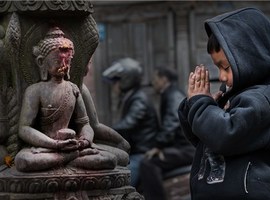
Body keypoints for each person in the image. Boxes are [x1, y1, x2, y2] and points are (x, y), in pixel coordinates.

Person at [178, 7, 270, 200]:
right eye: (218, 68)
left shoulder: (263, 100)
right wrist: (193, 104)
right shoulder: (232, 93)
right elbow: (203, 137)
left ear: (252, 57)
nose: (221, 77)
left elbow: (225, 135)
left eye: (226, 67)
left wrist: (201, 104)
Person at [14, 27, 117, 172]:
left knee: (110, 159)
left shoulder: (73, 88)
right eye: (58, 61)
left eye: (67, 61)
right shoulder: (35, 90)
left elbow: (85, 124)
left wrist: (85, 140)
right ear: (41, 62)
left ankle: (66, 158)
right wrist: (54, 144)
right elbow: (24, 129)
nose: (63, 65)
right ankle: (68, 159)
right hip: (46, 147)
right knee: (23, 161)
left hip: (72, 146)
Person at [139, 67, 195, 200]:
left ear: (163, 79)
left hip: (186, 149)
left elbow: (172, 122)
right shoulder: (170, 93)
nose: (153, 83)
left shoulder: (173, 95)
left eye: (155, 79)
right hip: (182, 147)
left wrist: (158, 146)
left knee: (148, 163)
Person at [102, 58, 159, 187]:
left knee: (120, 186)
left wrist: (104, 132)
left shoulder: (139, 99)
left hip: (141, 153)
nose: (114, 85)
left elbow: (128, 123)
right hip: (132, 151)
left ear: (126, 81)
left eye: (116, 80)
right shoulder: (130, 97)